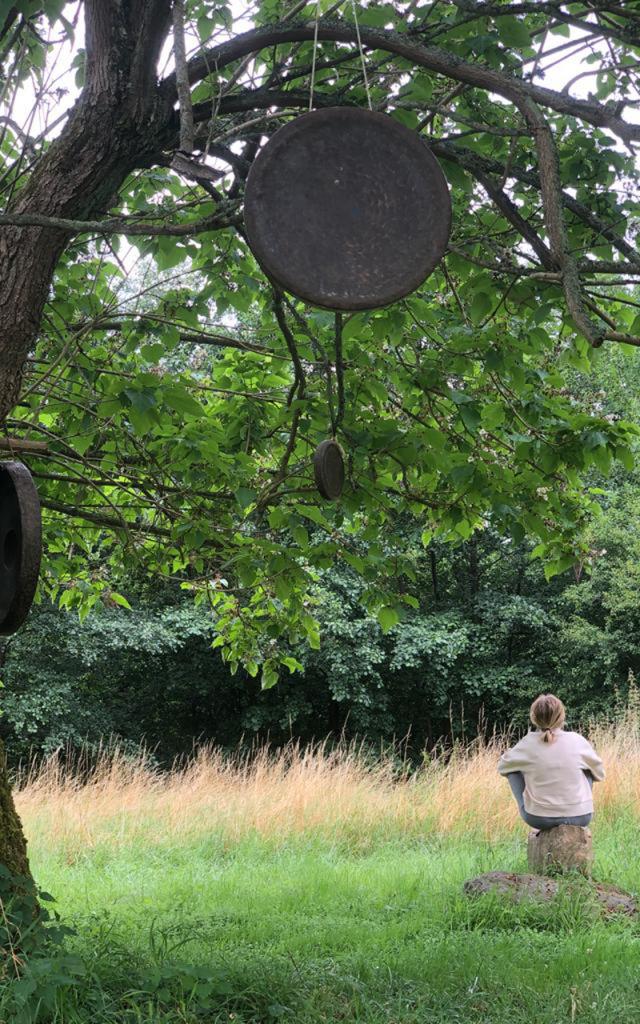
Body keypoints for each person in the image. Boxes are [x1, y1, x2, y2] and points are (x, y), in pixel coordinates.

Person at [498, 694, 605, 831]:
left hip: (538, 818)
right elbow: (600, 774)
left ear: (534, 717)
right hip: (581, 816)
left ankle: (529, 804)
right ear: (561, 716)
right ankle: (579, 803)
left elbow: (503, 767)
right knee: (589, 769)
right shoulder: (577, 740)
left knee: (512, 771)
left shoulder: (527, 743)